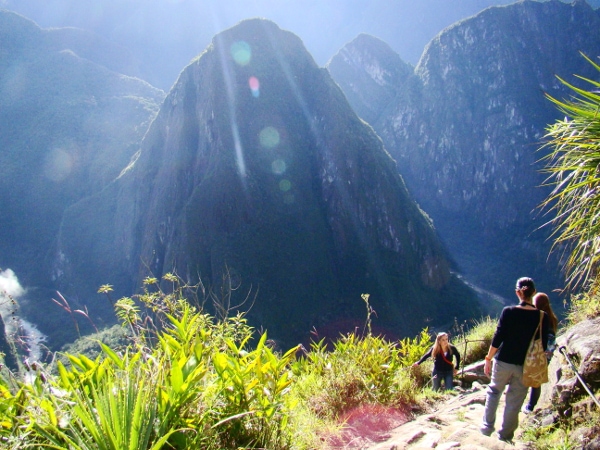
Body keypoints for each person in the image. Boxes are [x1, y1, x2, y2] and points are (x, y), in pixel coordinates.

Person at [480, 277, 550, 443]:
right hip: (524, 365)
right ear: (533, 292)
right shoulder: (542, 317)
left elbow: (498, 338)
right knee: (515, 400)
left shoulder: (508, 311)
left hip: (503, 361)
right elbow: (543, 344)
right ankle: (505, 435)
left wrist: (488, 358)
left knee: (494, 392)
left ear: (518, 293)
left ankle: (486, 427)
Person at [523, 292, 558, 413]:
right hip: (547, 353)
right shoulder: (553, 318)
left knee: (529, 377)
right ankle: (531, 406)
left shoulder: (538, 317)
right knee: (536, 381)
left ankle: (529, 406)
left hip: (536, 352)